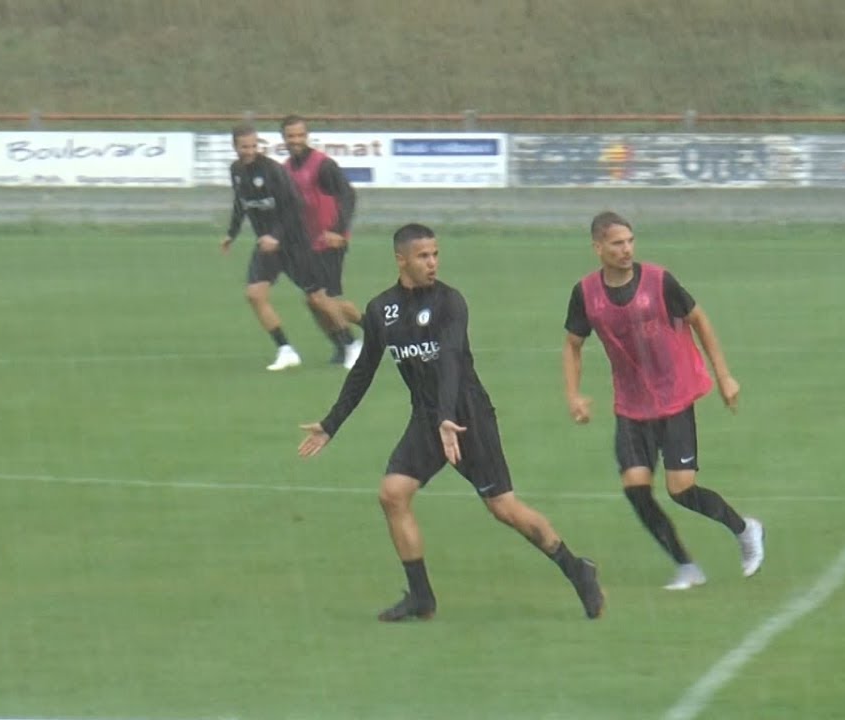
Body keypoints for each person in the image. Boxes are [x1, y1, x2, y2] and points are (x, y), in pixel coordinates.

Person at [298, 223, 605, 622]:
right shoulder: (381, 310)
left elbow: (450, 362)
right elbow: (363, 372)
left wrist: (447, 419)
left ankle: (577, 569)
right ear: (401, 259)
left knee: (504, 509)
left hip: (468, 419)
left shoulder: (450, 303)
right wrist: (330, 424)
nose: (432, 263)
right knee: (392, 494)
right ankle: (421, 598)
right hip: (428, 421)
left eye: (435, 254)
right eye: (423, 256)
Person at [561, 211, 764, 591]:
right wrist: (574, 395)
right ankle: (687, 566)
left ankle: (745, 529)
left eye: (630, 241)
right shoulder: (585, 294)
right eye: (617, 243)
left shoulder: (658, 281)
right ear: (598, 247)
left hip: (675, 397)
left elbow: (700, 320)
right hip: (631, 406)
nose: (626, 250)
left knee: (681, 489)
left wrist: (724, 376)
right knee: (635, 487)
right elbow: (573, 345)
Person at [221, 124, 342, 371]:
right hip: (267, 246)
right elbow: (240, 203)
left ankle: (352, 345)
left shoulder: (272, 170)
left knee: (317, 298)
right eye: (244, 147)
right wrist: (231, 233)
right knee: (254, 295)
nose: (250, 151)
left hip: (294, 244)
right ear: (235, 147)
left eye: (254, 146)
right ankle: (285, 350)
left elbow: (294, 206)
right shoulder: (236, 170)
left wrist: (276, 236)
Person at [280, 114, 364, 366]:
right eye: (290, 136)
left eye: (299, 135)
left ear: (306, 136)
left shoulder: (322, 165)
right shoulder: (286, 169)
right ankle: (348, 342)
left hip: (331, 241)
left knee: (319, 298)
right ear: (283, 139)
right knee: (315, 301)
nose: (295, 140)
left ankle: (352, 345)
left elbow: (348, 195)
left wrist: (339, 230)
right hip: (308, 243)